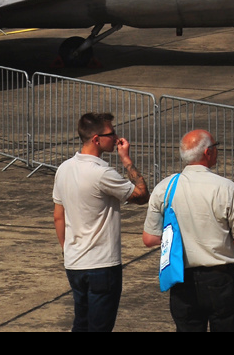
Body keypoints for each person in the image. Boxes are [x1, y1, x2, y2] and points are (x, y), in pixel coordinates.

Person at [142, 129, 234, 332]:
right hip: (219, 279)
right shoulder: (225, 188)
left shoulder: (165, 188)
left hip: (181, 277)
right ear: (208, 152)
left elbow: (150, 238)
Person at [53, 112, 150, 332]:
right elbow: (142, 195)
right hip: (102, 265)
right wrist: (127, 160)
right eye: (111, 133)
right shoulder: (102, 173)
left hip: (75, 262)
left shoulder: (64, 169)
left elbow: (58, 215)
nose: (116, 138)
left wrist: (67, 250)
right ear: (97, 139)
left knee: (81, 322)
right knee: (100, 327)